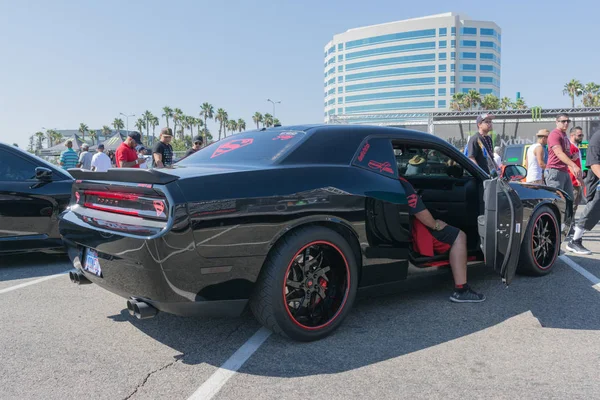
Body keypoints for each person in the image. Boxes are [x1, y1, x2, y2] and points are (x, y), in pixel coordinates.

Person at [398, 176, 485, 303]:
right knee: (459, 236)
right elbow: (420, 212)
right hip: (416, 231)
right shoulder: (402, 183)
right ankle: (461, 289)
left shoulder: (380, 177)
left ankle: (451, 266)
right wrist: (436, 225)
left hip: (402, 227)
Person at [566, 130, 600, 255]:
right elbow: (594, 164)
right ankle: (575, 241)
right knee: (593, 209)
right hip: (596, 180)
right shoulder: (597, 138)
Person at [544, 113, 581, 201]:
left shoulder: (564, 135)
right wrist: (574, 165)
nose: (566, 123)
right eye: (563, 121)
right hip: (555, 171)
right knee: (555, 201)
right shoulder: (555, 134)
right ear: (557, 122)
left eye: (568, 121)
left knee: (569, 200)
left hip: (564, 171)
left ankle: (568, 215)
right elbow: (559, 153)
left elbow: (564, 155)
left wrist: (572, 157)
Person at [567, 126, 585, 216]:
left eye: (582, 135)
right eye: (579, 135)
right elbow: (569, 164)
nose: (581, 137)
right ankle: (568, 226)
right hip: (572, 180)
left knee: (576, 203)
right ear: (572, 135)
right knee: (573, 204)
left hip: (576, 179)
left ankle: (570, 225)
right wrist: (577, 178)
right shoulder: (570, 147)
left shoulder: (576, 147)